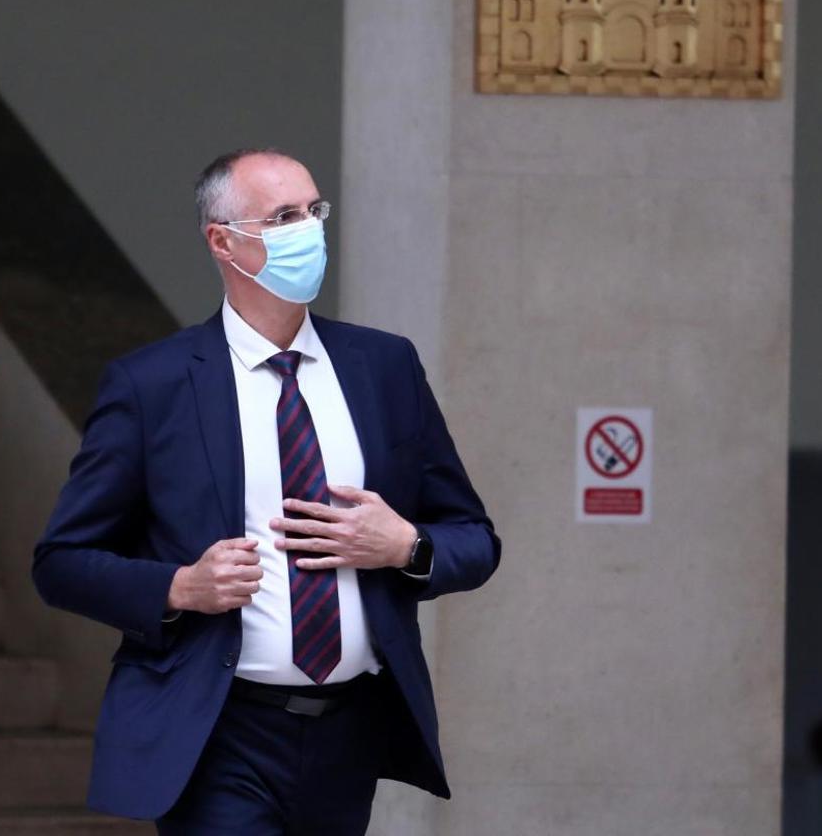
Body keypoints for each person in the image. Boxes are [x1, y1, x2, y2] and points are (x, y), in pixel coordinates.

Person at [31, 148, 501, 834]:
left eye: (314, 211)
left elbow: (476, 540)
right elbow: (61, 563)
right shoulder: (152, 385)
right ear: (222, 241)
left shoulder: (384, 366)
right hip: (217, 730)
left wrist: (405, 545)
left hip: (350, 731)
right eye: (283, 217)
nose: (308, 230)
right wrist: (179, 587)